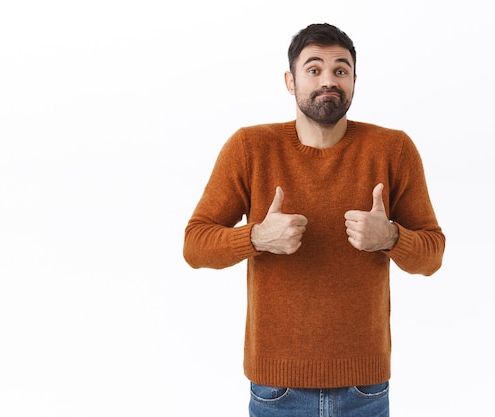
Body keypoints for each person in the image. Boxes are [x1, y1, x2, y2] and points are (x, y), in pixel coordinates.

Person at [182, 23, 445, 417]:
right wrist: (255, 237)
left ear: (354, 80)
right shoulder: (249, 148)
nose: (329, 80)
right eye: (314, 69)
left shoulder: (393, 149)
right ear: (290, 81)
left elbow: (432, 255)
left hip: (365, 387)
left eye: (341, 70)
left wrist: (391, 236)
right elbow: (195, 245)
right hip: (277, 387)